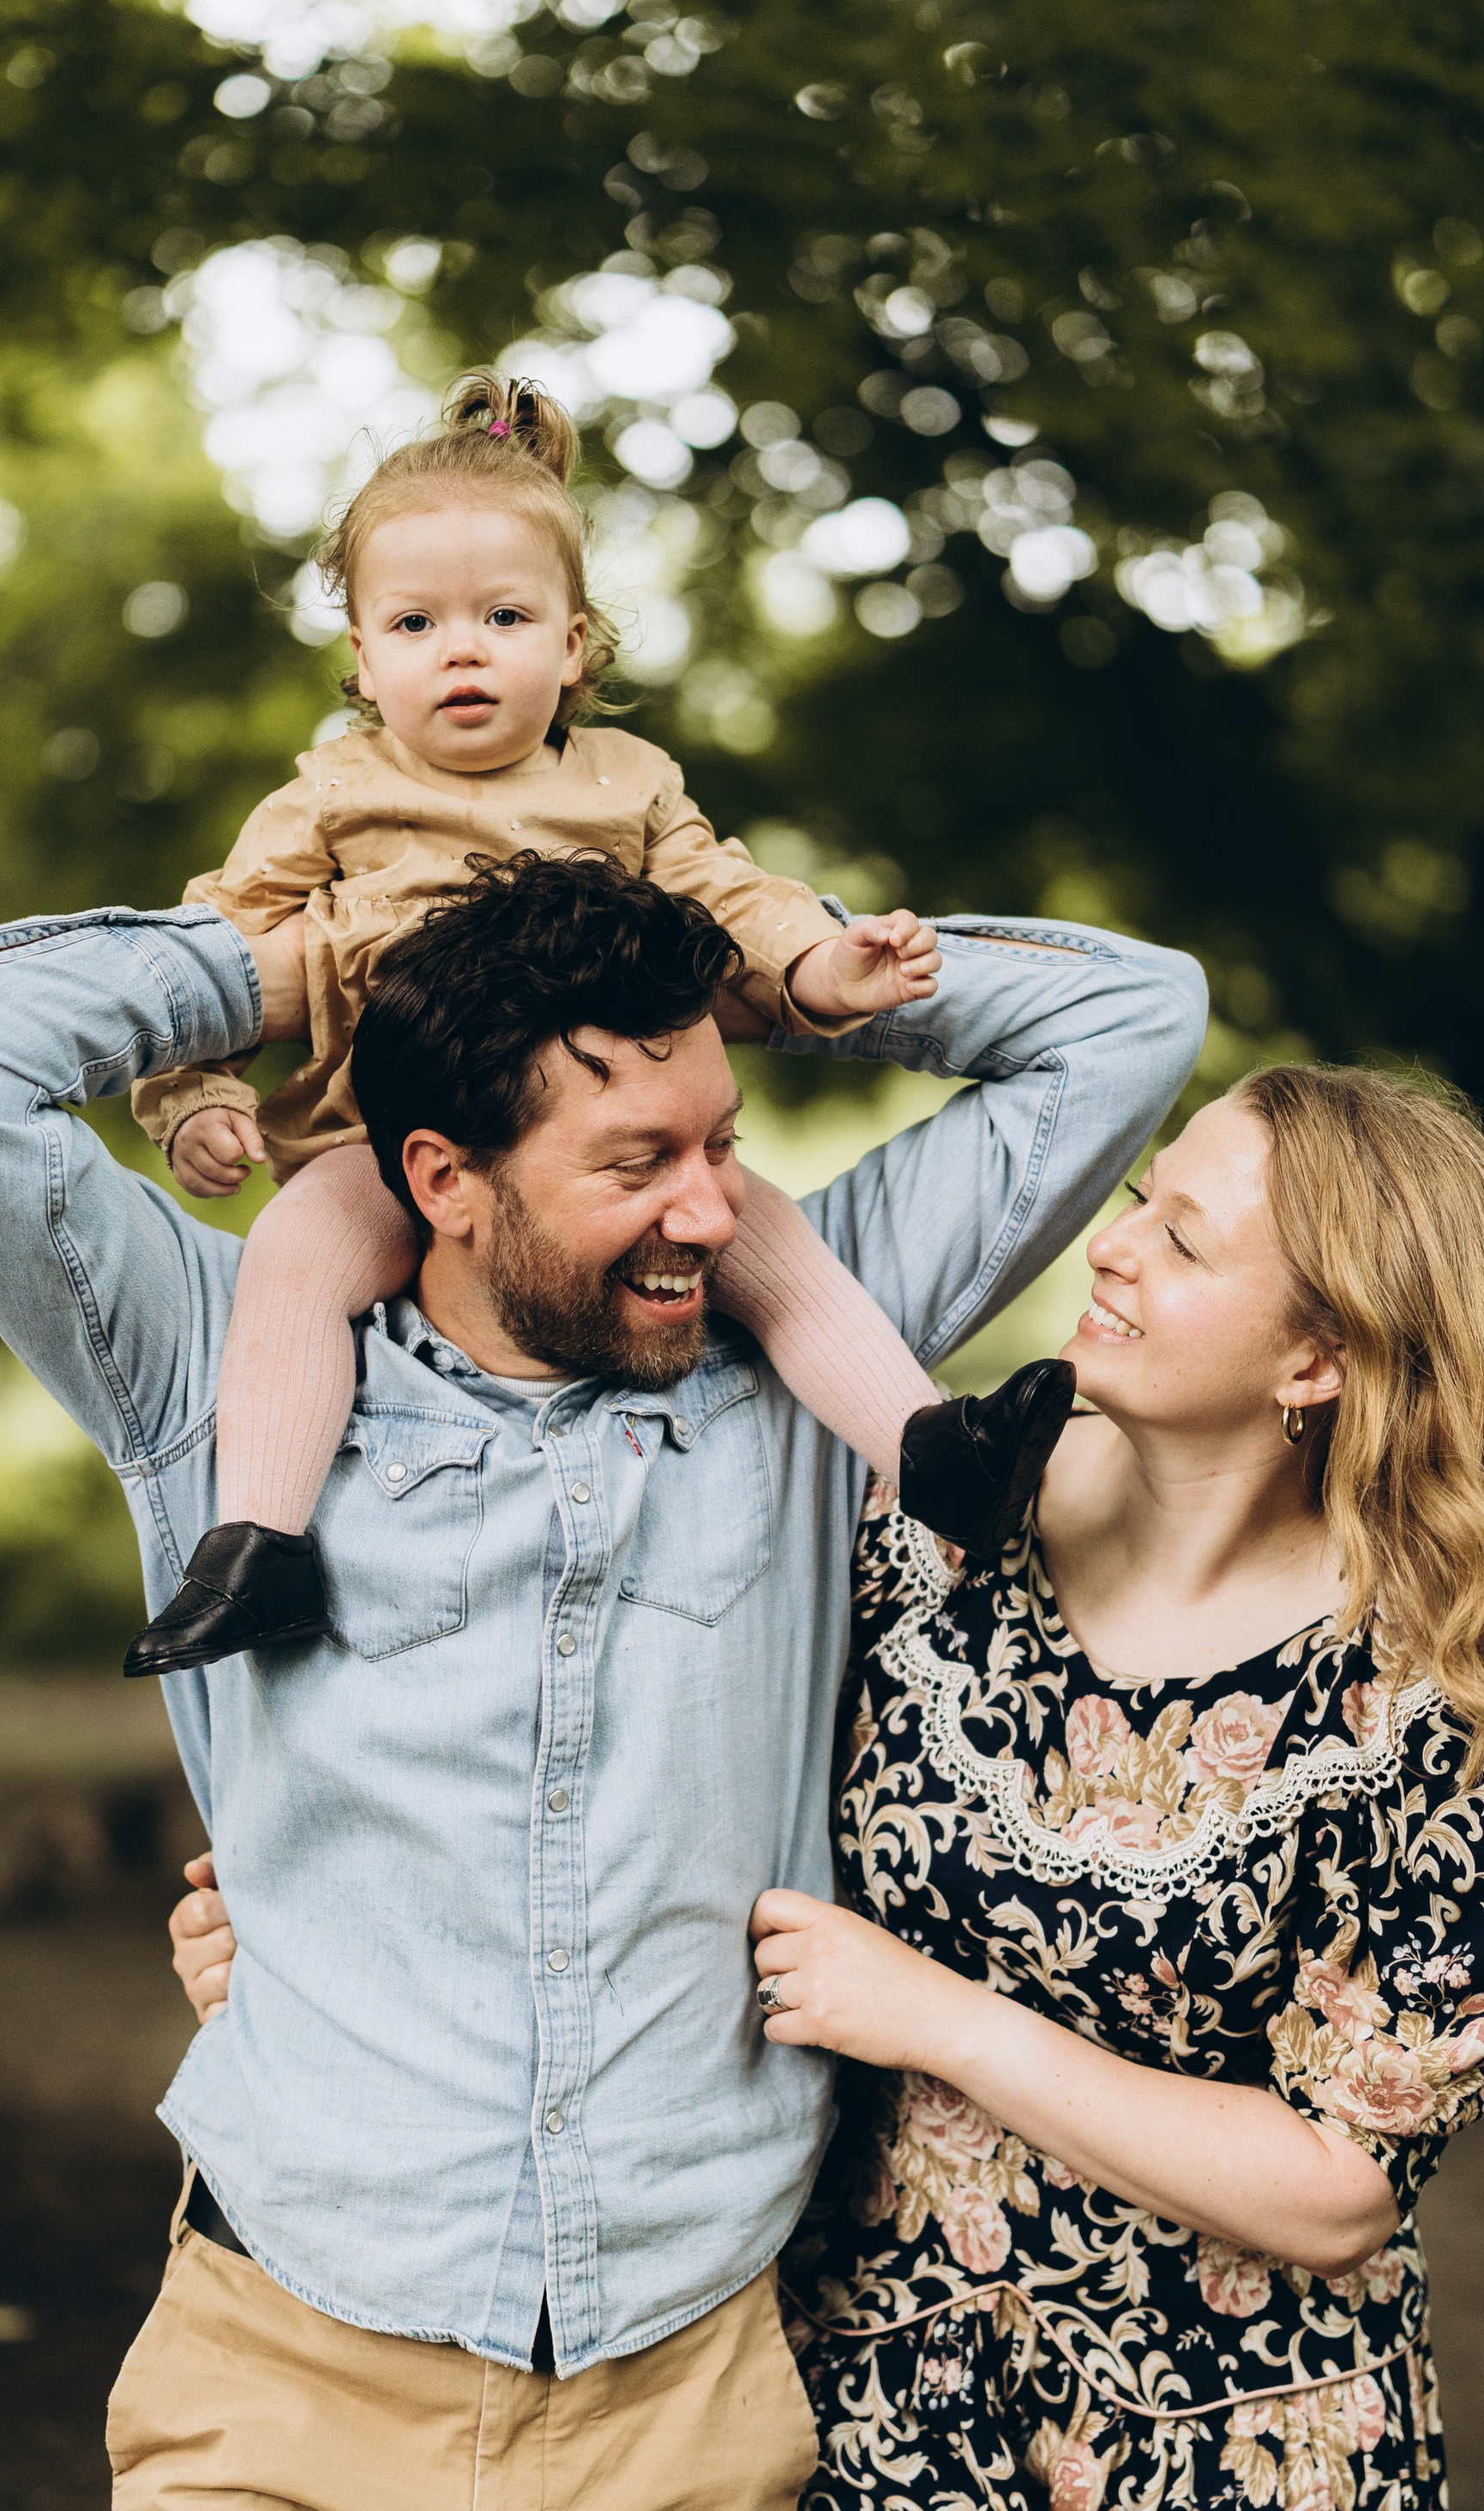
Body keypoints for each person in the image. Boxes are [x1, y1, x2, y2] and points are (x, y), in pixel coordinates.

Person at [0, 837, 1205, 2511]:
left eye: (724, 1151)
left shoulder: (791, 1336)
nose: (706, 1206)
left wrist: (755, 975)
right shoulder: (217, 1372)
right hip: (287, 2398)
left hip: (679, 2418)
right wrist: (307, 953)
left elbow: (1125, 1014)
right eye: (633, 1158)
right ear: (439, 1176)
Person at [709, 1063, 1484, 2511]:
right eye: (1135, 1197)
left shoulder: (1438, 1700)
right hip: (882, 2406)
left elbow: (1328, 2192)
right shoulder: (934, 1525)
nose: (1105, 1250)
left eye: (1177, 1236)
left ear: (1317, 1360)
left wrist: (938, 2019)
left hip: (1239, 2484)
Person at [122, 366, 949, 1677]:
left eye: (504, 616)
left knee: (766, 1239)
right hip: (381, 1139)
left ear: (572, 647)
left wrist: (818, 969)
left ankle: (934, 1446)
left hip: (607, 1141)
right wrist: (199, 1099)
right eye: (413, 623)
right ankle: (259, 1546)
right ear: (360, 660)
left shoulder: (628, 785)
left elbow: (730, 894)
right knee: (291, 1261)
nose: (460, 649)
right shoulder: (333, 794)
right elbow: (208, 948)